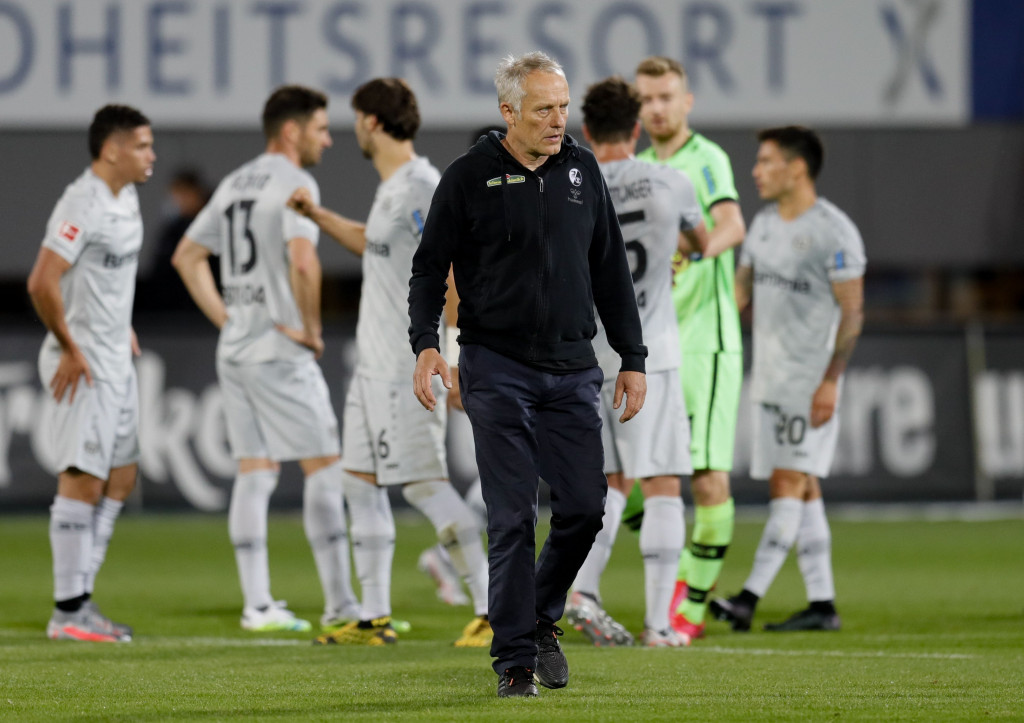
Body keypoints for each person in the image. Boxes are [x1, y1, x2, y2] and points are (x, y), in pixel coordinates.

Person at [409, 51, 647, 698]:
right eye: (544, 109)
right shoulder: (468, 176)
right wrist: (426, 344)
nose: (558, 120)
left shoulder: (582, 169)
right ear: (508, 112)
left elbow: (610, 271)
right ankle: (514, 658)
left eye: (563, 107)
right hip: (497, 367)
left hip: (572, 369)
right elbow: (430, 267)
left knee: (585, 508)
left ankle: (541, 616)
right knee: (511, 515)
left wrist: (632, 356)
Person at [286, 77, 491, 648]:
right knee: (358, 482)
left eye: (355, 119)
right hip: (371, 370)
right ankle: (374, 617)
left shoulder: (423, 187)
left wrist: (448, 357)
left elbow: (450, 274)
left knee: (425, 485)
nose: (352, 130)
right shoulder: (392, 189)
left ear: (372, 122)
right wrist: (318, 215)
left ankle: (492, 607)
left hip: (409, 366)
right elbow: (376, 245)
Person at [172, 85, 359, 633]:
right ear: (291, 131)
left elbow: (188, 256)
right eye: (321, 128)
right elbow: (304, 261)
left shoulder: (234, 182)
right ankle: (342, 605)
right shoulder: (295, 182)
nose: (327, 139)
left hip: (236, 351)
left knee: (253, 472)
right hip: (279, 349)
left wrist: (228, 318)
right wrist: (313, 328)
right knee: (324, 466)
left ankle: (257, 605)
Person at [564, 77, 708, 648]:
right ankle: (658, 623)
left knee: (608, 481)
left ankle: (580, 588)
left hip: (586, 354)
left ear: (588, 132)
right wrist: (679, 251)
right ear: (638, 128)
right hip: (651, 354)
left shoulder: (573, 184)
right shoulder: (672, 181)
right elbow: (699, 240)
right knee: (663, 480)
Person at [709, 126, 865, 632]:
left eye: (766, 161)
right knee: (806, 488)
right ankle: (822, 604)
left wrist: (830, 380)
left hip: (808, 381)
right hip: (770, 377)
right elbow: (740, 291)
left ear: (795, 168)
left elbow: (853, 313)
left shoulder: (834, 232)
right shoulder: (763, 225)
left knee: (788, 483)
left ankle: (748, 598)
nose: (756, 170)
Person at [27, 104, 156, 642]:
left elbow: (104, 278)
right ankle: (69, 609)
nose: (152, 155)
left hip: (113, 356)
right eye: (143, 146)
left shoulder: (125, 196)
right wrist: (70, 346)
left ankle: (81, 590)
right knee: (82, 477)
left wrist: (119, 325)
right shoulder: (82, 203)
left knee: (122, 475)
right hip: (82, 362)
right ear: (112, 150)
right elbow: (42, 281)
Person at [634, 56, 747, 640]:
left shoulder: (706, 160)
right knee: (634, 477)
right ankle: (675, 585)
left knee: (704, 479)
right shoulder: (640, 166)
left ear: (687, 101)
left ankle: (689, 609)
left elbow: (732, 223)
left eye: (665, 96)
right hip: (654, 345)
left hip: (706, 342)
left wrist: (698, 251)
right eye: (646, 99)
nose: (655, 108)